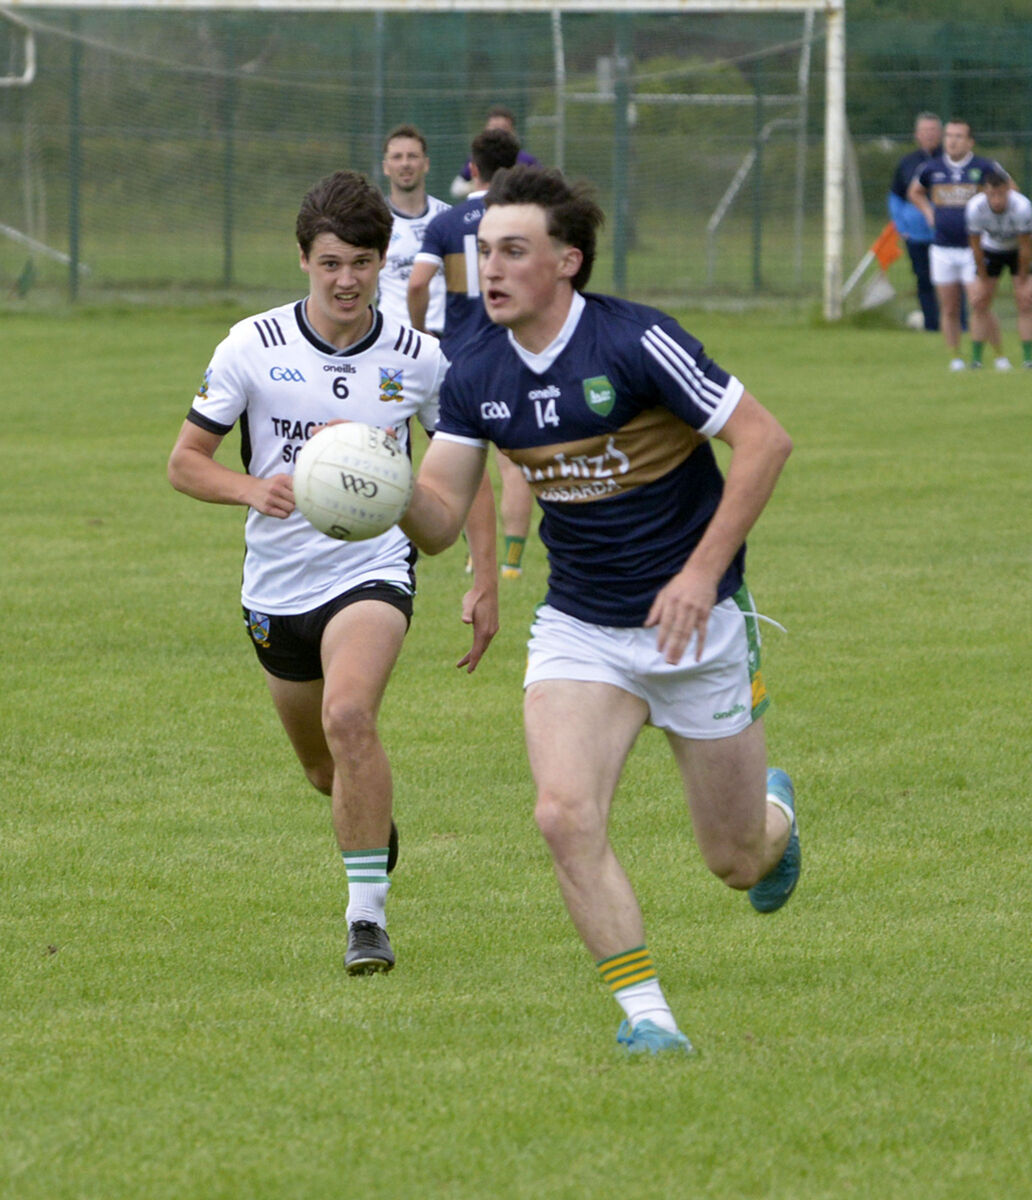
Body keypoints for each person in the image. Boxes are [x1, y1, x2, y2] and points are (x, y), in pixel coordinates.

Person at [399, 166, 799, 1057]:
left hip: (698, 628)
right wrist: (374, 483)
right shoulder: (476, 374)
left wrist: (702, 574)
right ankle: (648, 1018)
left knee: (737, 862)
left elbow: (765, 441)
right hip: (581, 628)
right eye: (483, 252)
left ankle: (777, 822)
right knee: (562, 813)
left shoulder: (636, 343)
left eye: (514, 251)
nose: (490, 270)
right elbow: (434, 517)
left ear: (567, 262)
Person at [167, 169, 499, 978]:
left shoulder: (420, 360)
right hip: (277, 584)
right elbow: (184, 463)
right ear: (305, 264)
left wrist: (484, 576)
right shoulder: (252, 346)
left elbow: (465, 472)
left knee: (352, 718)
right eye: (329, 264)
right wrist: (255, 488)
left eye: (360, 262)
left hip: (374, 568)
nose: (346, 279)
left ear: (383, 261)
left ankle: (365, 920)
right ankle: (368, 829)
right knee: (324, 767)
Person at [411, 128, 534, 580]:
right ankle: (511, 563)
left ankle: (471, 553)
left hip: (461, 353)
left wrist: (421, 332)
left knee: (465, 453)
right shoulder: (526, 221)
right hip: (517, 350)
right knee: (513, 459)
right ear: (517, 168)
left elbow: (419, 282)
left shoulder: (446, 223)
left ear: (473, 168)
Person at [908, 120, 1008, 371]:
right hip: (942, 248)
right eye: (949, 135)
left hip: (974, 248)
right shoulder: (932, 167)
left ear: (970, 141)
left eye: (959, 136)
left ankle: (998, 356)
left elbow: (1008, 191)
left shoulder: (984, 167)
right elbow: (915, 192)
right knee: (950, 306)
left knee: (979, 302)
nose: (952, 141)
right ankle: (956, 358)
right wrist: (929, 214)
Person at [378, 124, 451, 336]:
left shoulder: (446, 217)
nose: (405, 164)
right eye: (397, 157)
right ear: (386, 166)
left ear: (426, 164)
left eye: (412, 156)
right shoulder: (374, 220)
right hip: (391, 337)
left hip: (442, 337)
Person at [965, 169, 1032, 370]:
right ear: (984, 192)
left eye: (1001, 194)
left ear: (1008, 191)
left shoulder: (1022, 207)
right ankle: (976, 360)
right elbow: (976, 247)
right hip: (991, 251)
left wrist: (1022, 280)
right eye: (991, 194)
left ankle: (1028, 360)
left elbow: (1026, 247)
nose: (996, 200)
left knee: (1025, 302)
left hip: (1018, 252)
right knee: (979, 303)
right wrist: (983, 279)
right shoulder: (975, 208)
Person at [888, 113, 943, 332]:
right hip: (917, 236)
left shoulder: (950, 160)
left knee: (952, 282)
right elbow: (895, 197)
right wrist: (902, 227)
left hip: (946, 234)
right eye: (925, 130)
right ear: (917, 135)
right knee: (924, 280)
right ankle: (931, 325)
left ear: (940, 134)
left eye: (933, 130)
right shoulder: (907, 163)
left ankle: (961, 325)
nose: (929, 134)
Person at [449, 105, 541, 201]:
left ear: (513, 131)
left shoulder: (527, 161)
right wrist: (477, 186)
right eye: (494, 128)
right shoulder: (477, 158)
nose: (498, 132)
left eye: (504, 128)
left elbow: (541, 187)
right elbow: (456, 189)